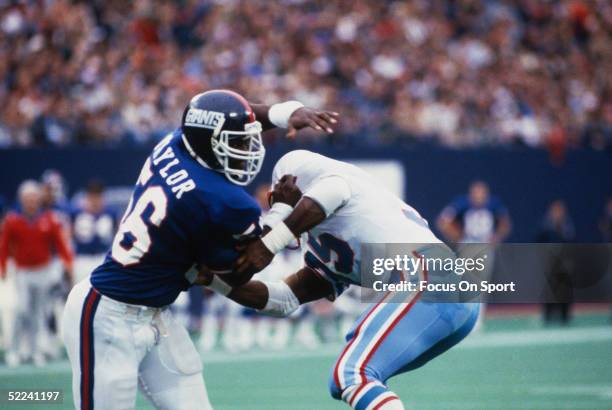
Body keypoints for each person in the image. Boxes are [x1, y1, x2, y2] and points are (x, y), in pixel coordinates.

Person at [61, 90, 339, 410]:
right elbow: (241, 271)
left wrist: (281, 114)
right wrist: (281, 213)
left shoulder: (174, 143)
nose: (248, 148)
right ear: (210, 143)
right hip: (107, 315)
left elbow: (235, 118)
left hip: (155, 314)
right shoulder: (222, 199)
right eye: (236, 143)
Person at [200, 150, 480, 410]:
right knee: (357, 378)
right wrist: (211, 279)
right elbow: (283, 300)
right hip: (451, 294)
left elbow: (334, 190)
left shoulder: (316, 177)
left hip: (431, 278)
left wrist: (270, 240)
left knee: (353, 375)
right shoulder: (324, 240)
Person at [0, 180, 74, 367]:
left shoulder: (48, 218)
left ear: (39, 199)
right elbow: (4, 245)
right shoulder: (13, 219)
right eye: (28, 198)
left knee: (38, 312)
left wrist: (67, 263)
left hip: (43, 269)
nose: (31, 201)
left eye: (34, 197)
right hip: (23, 271)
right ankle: (14, 349)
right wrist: (2, 267)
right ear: (22, 200)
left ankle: (34, 351)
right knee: (22, 309)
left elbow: (60, 244)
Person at [70, 180, 117, 283]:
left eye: (98, 195)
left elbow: (117, 234)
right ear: (87, 197)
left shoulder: (111, 213)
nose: (95, 199)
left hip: (102, 256)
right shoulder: (76, 213)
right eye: (93, 196)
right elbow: (68, 234)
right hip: (82, 258)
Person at [436, 180, 511, 244]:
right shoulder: (461, 204)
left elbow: (505, 224)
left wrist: (497, 236)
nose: (479, 197)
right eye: (476, 193)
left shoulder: (494, 205)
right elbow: (443, 221)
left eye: (482, 193)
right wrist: (456, 236)